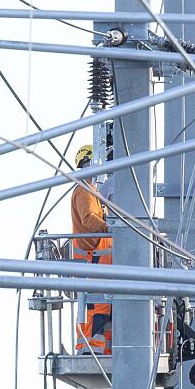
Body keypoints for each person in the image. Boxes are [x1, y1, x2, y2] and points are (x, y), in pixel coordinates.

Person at [70, 144, 112, 354]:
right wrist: (109, 227)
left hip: (98, 256)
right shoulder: (84, 191)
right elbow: (88, 220)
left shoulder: (92, 191)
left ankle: (101, 346)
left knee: (103, 305)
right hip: (93, 255)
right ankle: (89, 347)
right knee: (95, 306)